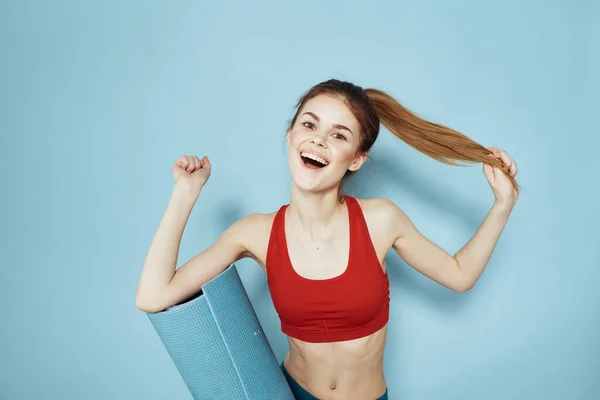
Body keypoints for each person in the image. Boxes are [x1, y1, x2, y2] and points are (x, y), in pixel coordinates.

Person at [136, 79, 520, 399]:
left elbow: (459, 274)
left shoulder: (380, 220)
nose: (318, 140)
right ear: (290, 135)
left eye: (339, 135)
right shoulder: (254, 232)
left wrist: (502, 205)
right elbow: (153, 296)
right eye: (309, 125)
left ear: (356, 159)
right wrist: (185, 194)